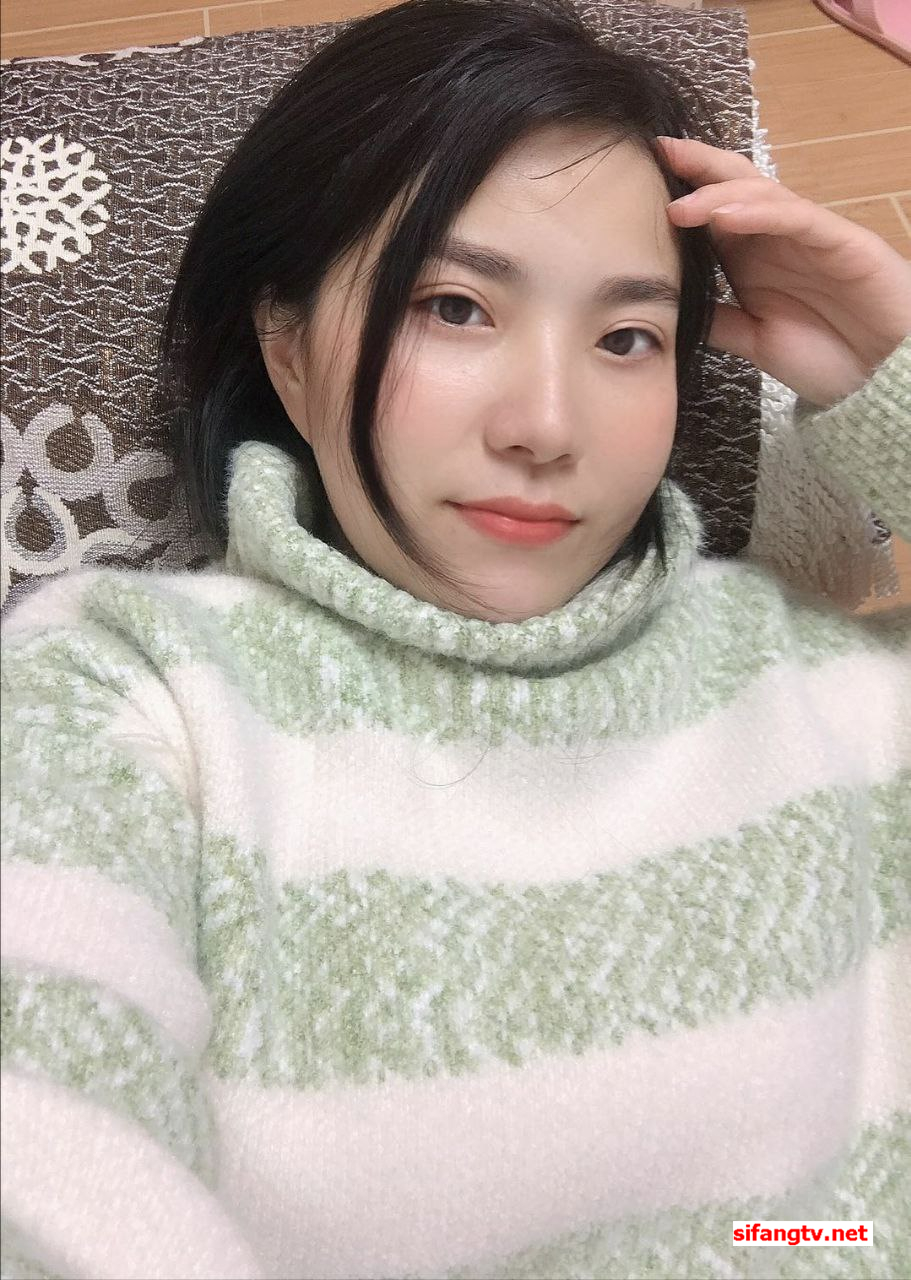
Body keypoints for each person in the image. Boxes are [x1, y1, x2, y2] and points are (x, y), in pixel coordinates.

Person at [1, 0, 908, 1277]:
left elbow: (827, 1233)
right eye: (455, 307)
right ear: (286, 345)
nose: (544, 424)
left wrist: (892, 371)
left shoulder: (829, 683)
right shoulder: (124, 694)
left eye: (626, 337)